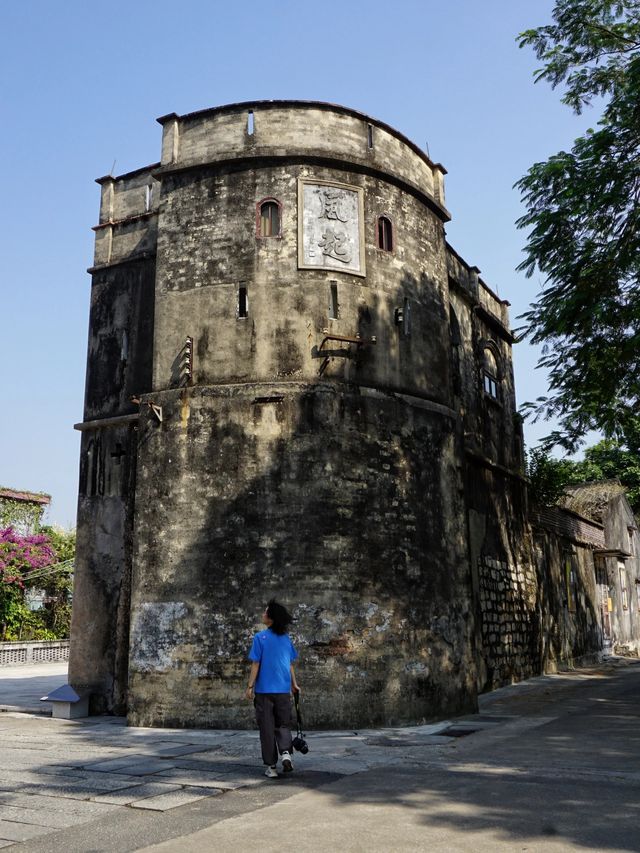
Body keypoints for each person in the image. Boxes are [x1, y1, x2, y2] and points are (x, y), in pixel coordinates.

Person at [246, 599, 300, 778]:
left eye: (265, 612)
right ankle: (286, 752)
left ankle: (271, 766)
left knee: (267, 728)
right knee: (283, 723)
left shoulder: (259, 637)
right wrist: (294, 683)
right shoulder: (285, 639)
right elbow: (289, 664)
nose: (263, 614)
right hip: (283, 690)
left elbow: (256, 664)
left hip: (264, 692)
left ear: (271, 618)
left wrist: (250, 686)